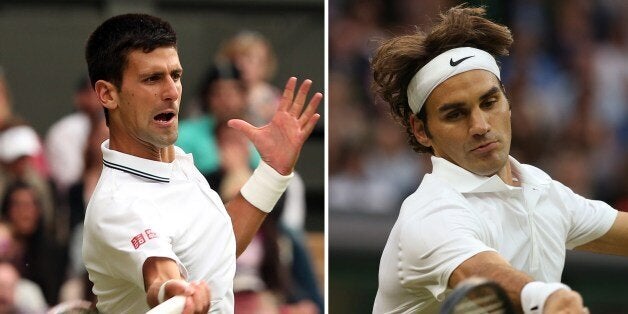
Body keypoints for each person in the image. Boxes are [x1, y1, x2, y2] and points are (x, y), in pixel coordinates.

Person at [370, 5, 627, 314]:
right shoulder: (429, 214)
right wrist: (546, 300)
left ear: (507, 102)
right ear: (421, 131)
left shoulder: (542, 189)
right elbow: (486, 276)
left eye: (489, 102)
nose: (480, 126)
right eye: (455, 114)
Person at [81, 13, 321, 313]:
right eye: (152, 79)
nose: (171, 92)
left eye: (176, 76)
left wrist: (272, 171)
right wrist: (175, 291)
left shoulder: (174, 162)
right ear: (107, 94)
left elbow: (216, 249)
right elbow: (160, 276)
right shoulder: (118, 205)